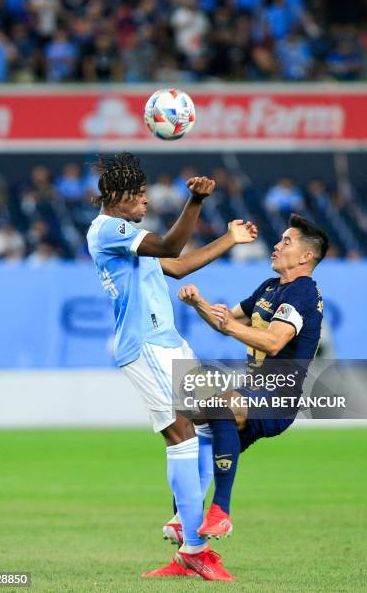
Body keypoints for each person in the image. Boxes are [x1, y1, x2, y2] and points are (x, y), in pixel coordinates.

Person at [86, 152, 258, 582]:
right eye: (139, 196)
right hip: (146, 347)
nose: (145, 203)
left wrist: (229, 239)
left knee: (213, 421)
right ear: (115, 196)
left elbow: (177, 266)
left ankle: (184, 521)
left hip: (170, 343)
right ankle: (194, 549)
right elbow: (170, 246)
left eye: (146, 195)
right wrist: (196, 202)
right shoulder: (108, 230)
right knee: (180, 433)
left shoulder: (131, 237)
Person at [177, 213, 328, 539]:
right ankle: (188, 539)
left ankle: (220, 512)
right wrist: (198, 303)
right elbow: (225, 321)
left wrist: (230, 326)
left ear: (305, 256)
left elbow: (274, 341)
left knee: (218, 407)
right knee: (191, 429)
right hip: (253, 392)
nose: (276, 245)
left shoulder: (302, 293)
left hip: (278, 397)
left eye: (286, 242)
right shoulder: (271, 287)